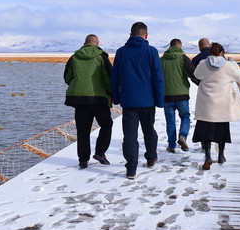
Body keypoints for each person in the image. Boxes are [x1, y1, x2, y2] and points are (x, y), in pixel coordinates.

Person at [110, 22, 164, 179]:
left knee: (130, 135)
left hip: (129, 101)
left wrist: (116, 97)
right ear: (146, 35)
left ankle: (131, 168)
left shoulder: (121, 52)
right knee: (149, 130)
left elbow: (115, 78)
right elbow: (158, 78)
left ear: (130, 35)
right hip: (148, 101)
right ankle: (151, 157)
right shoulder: (151, 52)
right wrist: (159, 100)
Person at [192, 42, 240, 170]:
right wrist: (234, 63)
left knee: (206, 131)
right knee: (221, 131)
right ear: (222, 53)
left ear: (210, 52)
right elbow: (239, 77)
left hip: (206, 105)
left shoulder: (203, 64)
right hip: (223, 105)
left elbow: (196, 75)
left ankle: (207, 156)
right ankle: (221, 156)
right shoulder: (228, 66)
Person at [64, 34, 114, 169]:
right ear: (97, 43)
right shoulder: (101, 57)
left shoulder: (74, 57)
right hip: (99, 99)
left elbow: (67, 77)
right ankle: (100, 152)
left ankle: (83, 160)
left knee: (83, 130)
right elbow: (109, 78)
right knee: (106, 124)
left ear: (84, 43)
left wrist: (78, 86)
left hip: (79, 99)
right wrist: (112, 94)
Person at [160, 38, 196, 153]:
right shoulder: (183, 58)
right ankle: (183, 137)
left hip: (167, 96)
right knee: (185, 117)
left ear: (170, 47)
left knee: (170, 121)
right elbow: (192, 73)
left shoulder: (162, 60)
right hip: (182, 95)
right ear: (180, 46)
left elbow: (156, 77)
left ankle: (171, 146)